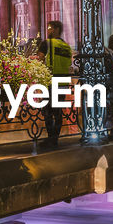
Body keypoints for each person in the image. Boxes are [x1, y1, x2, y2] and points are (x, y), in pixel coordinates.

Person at [37, 20, 73, 148]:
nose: (48, 30)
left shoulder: (46, 43)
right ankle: (55, 139)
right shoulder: (66, 46)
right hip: (63, 82)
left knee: (47, 111)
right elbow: (69, 64)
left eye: (50, 28)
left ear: (57, 29)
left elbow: (39, 59)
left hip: (50, 81)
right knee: (58, 112)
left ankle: (50, 138)